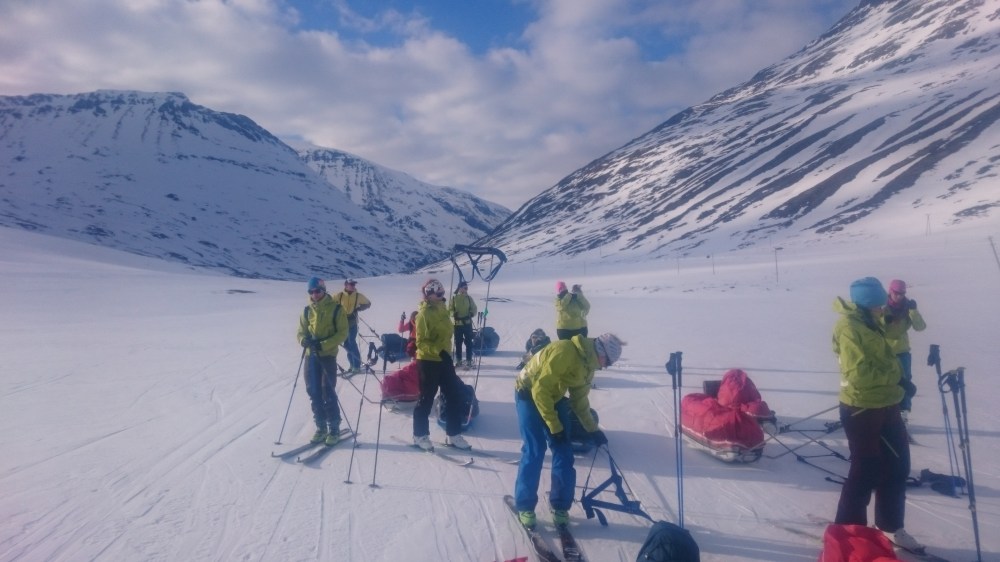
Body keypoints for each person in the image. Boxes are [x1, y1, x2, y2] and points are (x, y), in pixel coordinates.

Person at [831, 277, 923, 552]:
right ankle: (849, 534)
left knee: (898, 466)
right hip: (861, 407)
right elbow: (858, 374)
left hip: (887, 403)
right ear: (868, 305)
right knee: (866, 470)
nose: (884, 308)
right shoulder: (848, 328)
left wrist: (900, 379)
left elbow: (892, 345)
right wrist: (895, 377)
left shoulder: (872, 322)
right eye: (880, 304)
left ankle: (891, 526)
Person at [512, 332, 624, 530]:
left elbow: (579, 401)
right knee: (535, 449)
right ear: (601, 352)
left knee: (563, 450)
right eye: (608, 362)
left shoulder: (589, 366)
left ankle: (560, 506)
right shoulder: (564, 351)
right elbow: (540, 390)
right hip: (528, 392)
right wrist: (554, 426)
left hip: (553, 396)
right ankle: (525, 506)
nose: (606, 366)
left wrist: (593, 429)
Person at [412, 278, 472, 451]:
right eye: (437, 293)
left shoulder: (443, 309)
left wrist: (445, 352)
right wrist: (438, 351)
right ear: (428, 295)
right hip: (429, 361)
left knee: (453, 395)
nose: (441, 296)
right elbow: (421, 343)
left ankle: (453, 434)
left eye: (442, 293)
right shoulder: (423, 314)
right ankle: (420, 435)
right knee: (426, 398)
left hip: (444, 358)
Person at [296, 277, 349, 445]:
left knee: (328, 391)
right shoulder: (307, 310)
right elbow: (300, 331)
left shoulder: (336, 309)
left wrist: (323, 344)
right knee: (313, 391)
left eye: (317, 291)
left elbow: (342, 333)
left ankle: (334, 427)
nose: (314, 294)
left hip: (327, 356)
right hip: (310, 356)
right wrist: (304, 340)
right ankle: (321, 427)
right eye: (311, 292)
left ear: (323, 290)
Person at [881, 279, 926, 424]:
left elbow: (920, 327)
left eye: (902, 293)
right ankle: (884, 411)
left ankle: (903, 413)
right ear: (890, 291)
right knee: (884, 381)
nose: (900, 296)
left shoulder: (908, 307)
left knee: (905, 382)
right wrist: (883, 320)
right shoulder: (882, 306)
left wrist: (913, 311)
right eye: (897, 293)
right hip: (884, 351)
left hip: (902, 351)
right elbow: (873, 328)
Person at [332, 278, 371, 373]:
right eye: (351, 284)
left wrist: (358, 309)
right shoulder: (339, 295)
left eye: (354, 284)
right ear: (346, 285)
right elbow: (330, 303)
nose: (353, 286)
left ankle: (356, 365)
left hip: (352, 321)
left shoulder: (358, 296)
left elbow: (368, 303)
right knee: (346, 344)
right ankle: (352, 365)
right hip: (341, 322)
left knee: (351, 342)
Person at [448, 280, 478, 369]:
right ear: (460, 288)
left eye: (467, 288)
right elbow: (449, 310)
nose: (466, 289)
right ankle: (459, 360)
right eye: (465, 287)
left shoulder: (469, 298)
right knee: (458, 343)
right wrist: (453, 314)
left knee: (469, 343)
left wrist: (471, 313)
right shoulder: (454, 299)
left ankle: (469, 360)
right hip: (457, 324)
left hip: (467, 324)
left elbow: (474, 308)